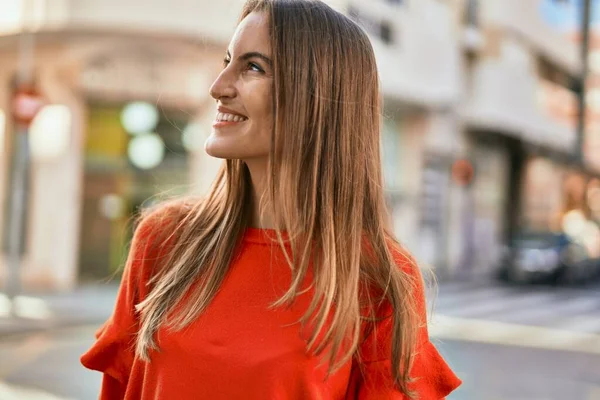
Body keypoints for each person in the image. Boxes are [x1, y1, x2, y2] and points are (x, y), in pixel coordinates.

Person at [81, 0, 462, 398]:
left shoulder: (376, 276)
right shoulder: (163, 239)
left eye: (253, 67)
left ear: (316, 98)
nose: (218, 86)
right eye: (228, 60)